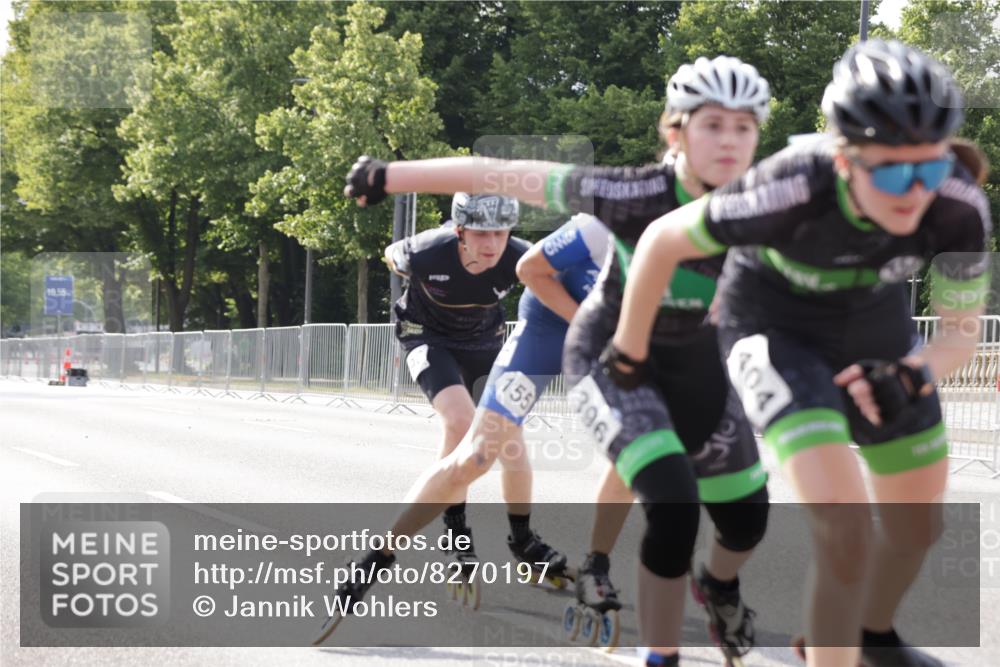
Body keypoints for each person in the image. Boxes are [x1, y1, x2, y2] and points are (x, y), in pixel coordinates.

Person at [345, 55, 775, 667]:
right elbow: (524, 247)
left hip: (658, 345)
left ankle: (587, 559)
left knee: (711, 494)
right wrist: (391, 175)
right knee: (479, 452)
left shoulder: (759, 207)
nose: (728, 142)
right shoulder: (623, 204)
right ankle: (382, 552)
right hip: (561, 329)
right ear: (675, 132)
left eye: (744, 128)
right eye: (713, 125)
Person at [608, 40, 990, 667]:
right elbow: (659, 241)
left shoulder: (957, 204)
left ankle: (868, 634)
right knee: (846, 530)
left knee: (917, 529)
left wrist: (910, 373)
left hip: (876, 330)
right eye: (892, 173)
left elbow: (959, 334)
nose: (915, 191)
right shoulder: (787, 187)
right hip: (772, 327)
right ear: (843, 159)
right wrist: (628, 350)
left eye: (930, 167)